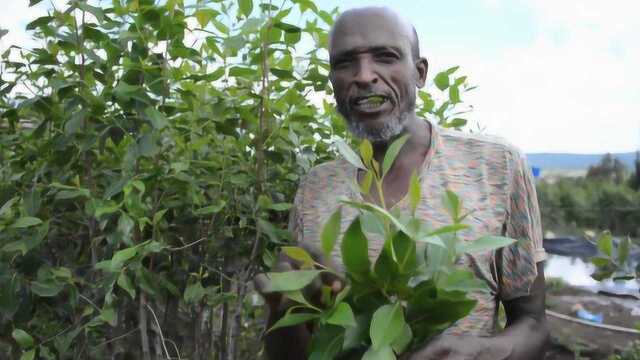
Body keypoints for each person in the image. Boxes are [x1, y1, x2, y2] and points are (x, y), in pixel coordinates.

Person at [256, 6, 549, 360]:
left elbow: (532, 324)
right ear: (333, 80)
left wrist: (483, 352)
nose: (364, 75)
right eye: (345, 62)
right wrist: (283, 309)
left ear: (420, 72)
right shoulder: (316, 188)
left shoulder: (496, 166)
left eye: (386, 56)